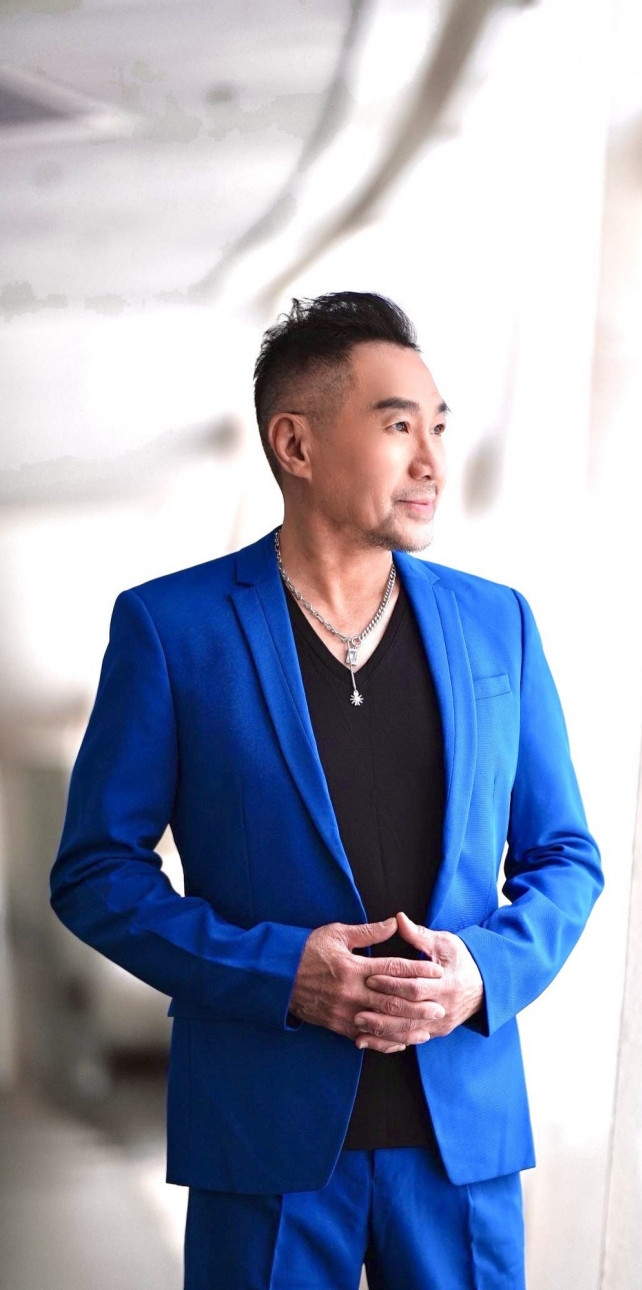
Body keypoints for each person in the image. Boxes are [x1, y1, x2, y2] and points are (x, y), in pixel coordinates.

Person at [49, 291, 604, 1289]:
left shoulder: (498, 625)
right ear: (295, 444)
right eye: (397, 427)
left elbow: (564, 855)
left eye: (438, 428)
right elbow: (95, 872)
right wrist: (280, 974)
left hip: (461, 1140)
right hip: (261, 1136)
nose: (432, 462)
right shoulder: (173, 630)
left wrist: (482, 973)